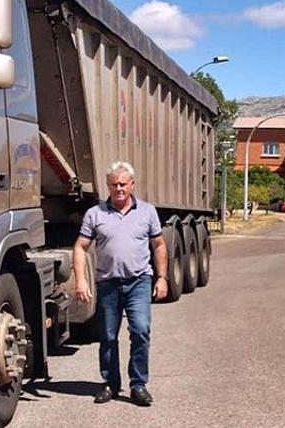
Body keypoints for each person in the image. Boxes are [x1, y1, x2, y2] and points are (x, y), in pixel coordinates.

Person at [73, 161, 169, 407]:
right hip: (108, 283)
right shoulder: (95, 214)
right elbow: (80, 247)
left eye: (123, 184)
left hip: (139, 281)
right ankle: (110, 384)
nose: (118, 188)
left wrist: (162, 277)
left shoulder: (147, 212)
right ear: (108, 185)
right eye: (114, 184)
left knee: (140, 330)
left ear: (132, 185)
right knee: (107, 336)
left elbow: (158, 244)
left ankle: (138, 384)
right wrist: (81, 280)